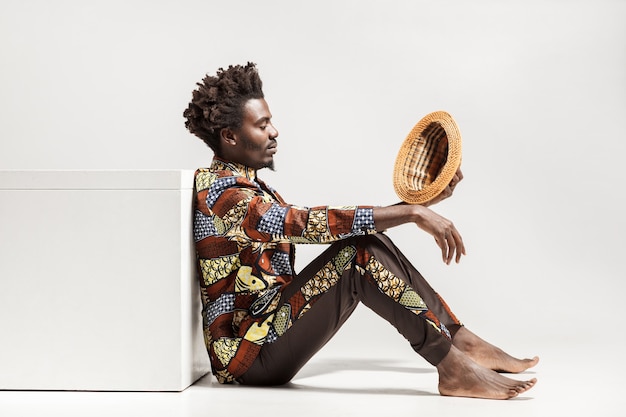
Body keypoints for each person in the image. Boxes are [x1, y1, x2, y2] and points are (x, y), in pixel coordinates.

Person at [183, 62, 538, 400]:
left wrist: (420, 205)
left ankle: (461, 342)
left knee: (366, 242)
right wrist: (413, 212)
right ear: (229, 135)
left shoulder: (245, 186)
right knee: (358, 253)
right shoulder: (223, 195)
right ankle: (453, 366)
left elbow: (324, 226)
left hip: (268, 331)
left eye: (271, 121)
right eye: (262, 125)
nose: (274, 131)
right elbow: (303, 224)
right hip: (248, 357)